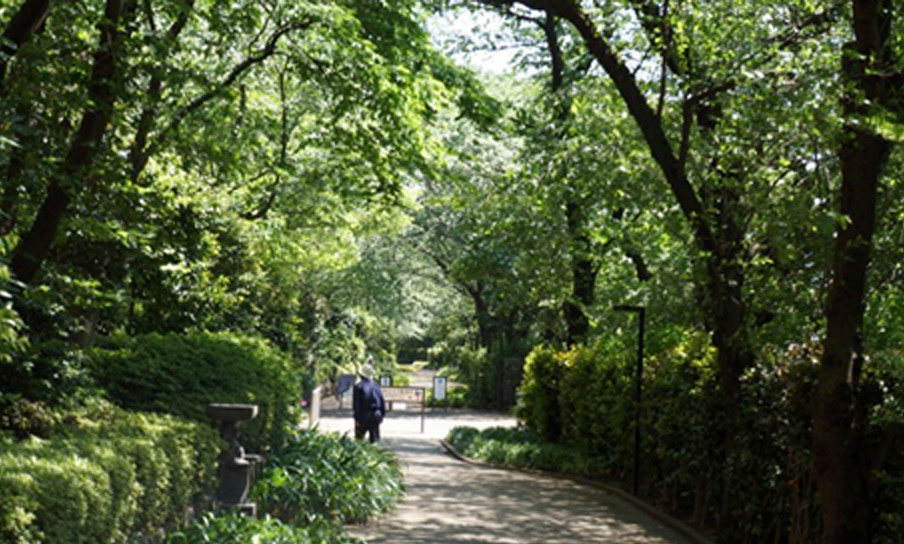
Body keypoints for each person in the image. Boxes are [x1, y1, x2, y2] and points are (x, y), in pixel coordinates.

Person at [353, 360, 386, 443]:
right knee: (374, 440)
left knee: (359, 440)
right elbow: (381, 401)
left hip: (363, 414)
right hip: (376, 414)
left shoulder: (359, 387)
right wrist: (382, 414)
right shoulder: (376, 386)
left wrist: (356, 418)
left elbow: (357, 404)